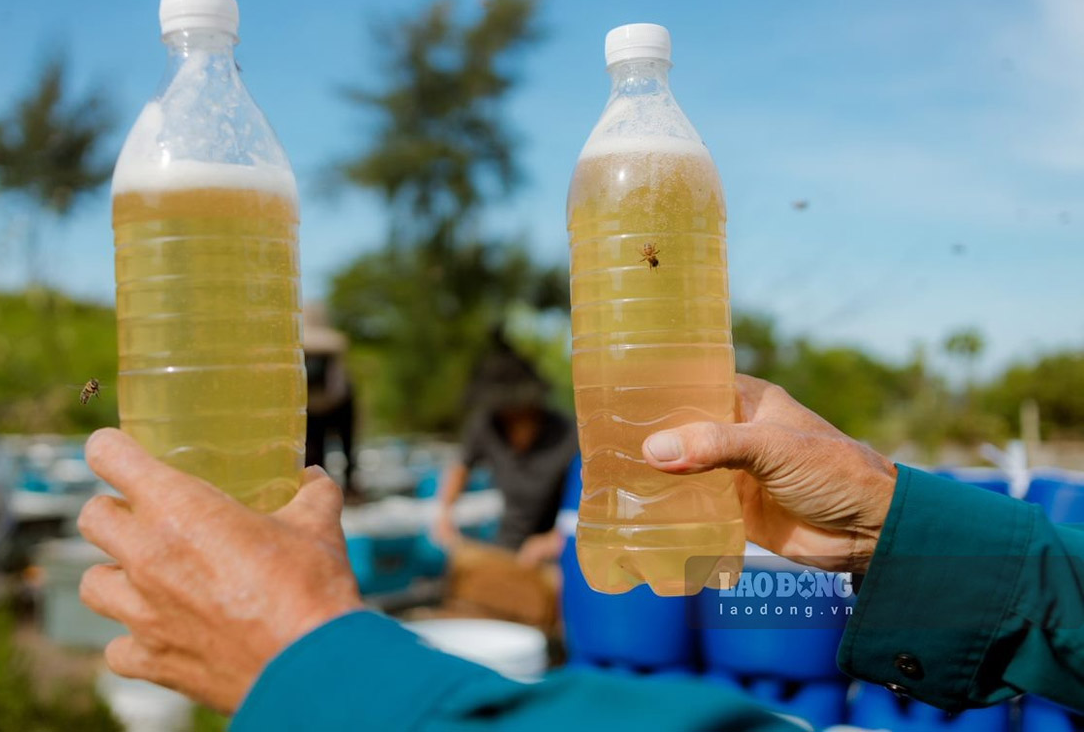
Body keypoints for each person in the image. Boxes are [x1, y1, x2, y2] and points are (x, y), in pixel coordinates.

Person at [77, 375, 1084, 730]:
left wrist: (312, 666)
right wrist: (878, 522)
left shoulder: (554, 436)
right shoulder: (484, 435)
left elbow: (570, 490)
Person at [433, 337, 577, 564]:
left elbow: (592, 504)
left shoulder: (569, 435)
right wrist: (444, 515)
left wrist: (554, 539)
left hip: (560, 552)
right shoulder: (487, 426)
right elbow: (461, 466)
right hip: (509, 543)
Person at [302, 306, 358, 495]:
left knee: (323, 452)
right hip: (325, 402)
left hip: (326, 401)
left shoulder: (325, 347)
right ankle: (329, 490)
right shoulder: (333, 346)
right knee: (320, 453)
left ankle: (327, 489)